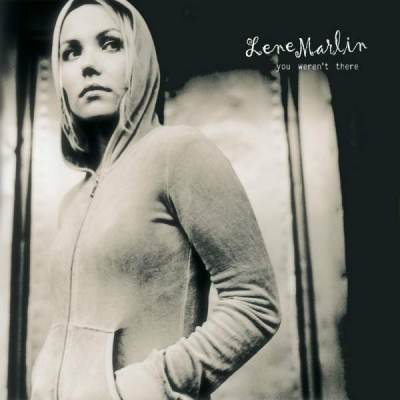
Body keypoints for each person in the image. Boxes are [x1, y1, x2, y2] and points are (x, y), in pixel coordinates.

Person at [30, 0, 281, 399]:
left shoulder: (178, 152)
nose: (88, 65)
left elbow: (255, 304)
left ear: (141, 58)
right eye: (71, 52)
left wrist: (145, 385)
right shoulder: (71, 202)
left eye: (110, 44)